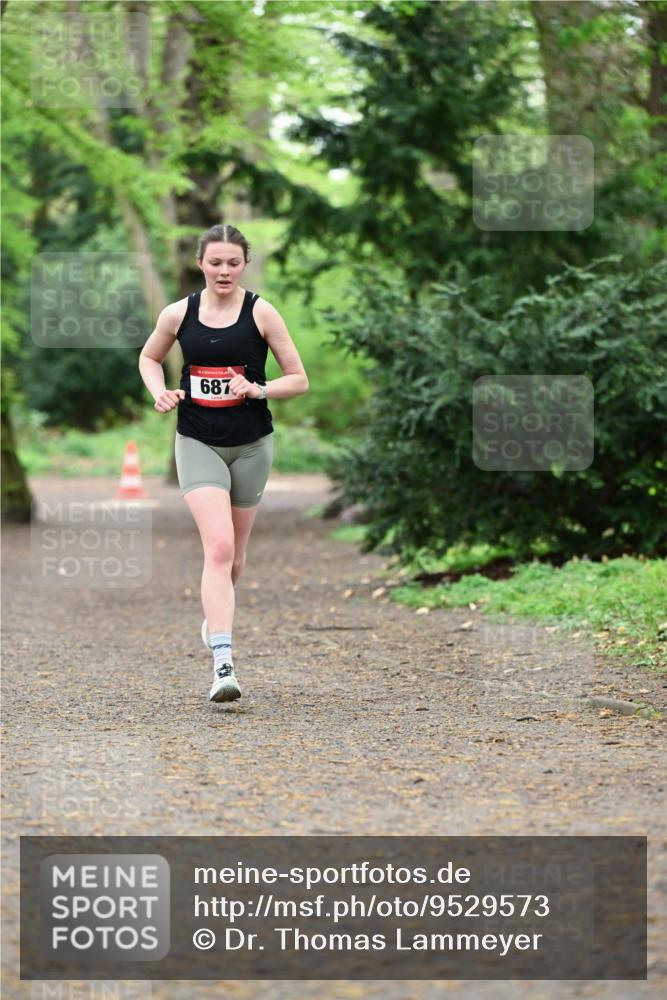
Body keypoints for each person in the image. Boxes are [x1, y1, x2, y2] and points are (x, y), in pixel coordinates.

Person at [138, 223, 309, 703]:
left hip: (253, 444)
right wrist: (161, 391)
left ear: (244, 265)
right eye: (215, 262)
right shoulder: (178, 313)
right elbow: (149, 359)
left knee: (235, 559)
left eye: (233, 262)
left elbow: (299, 379)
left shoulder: (262, 313)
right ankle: (223, 662)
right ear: (201, 264)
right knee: (217, 548)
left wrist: (260, 389)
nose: (224, 271)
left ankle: (215, 616)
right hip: (197, 441)